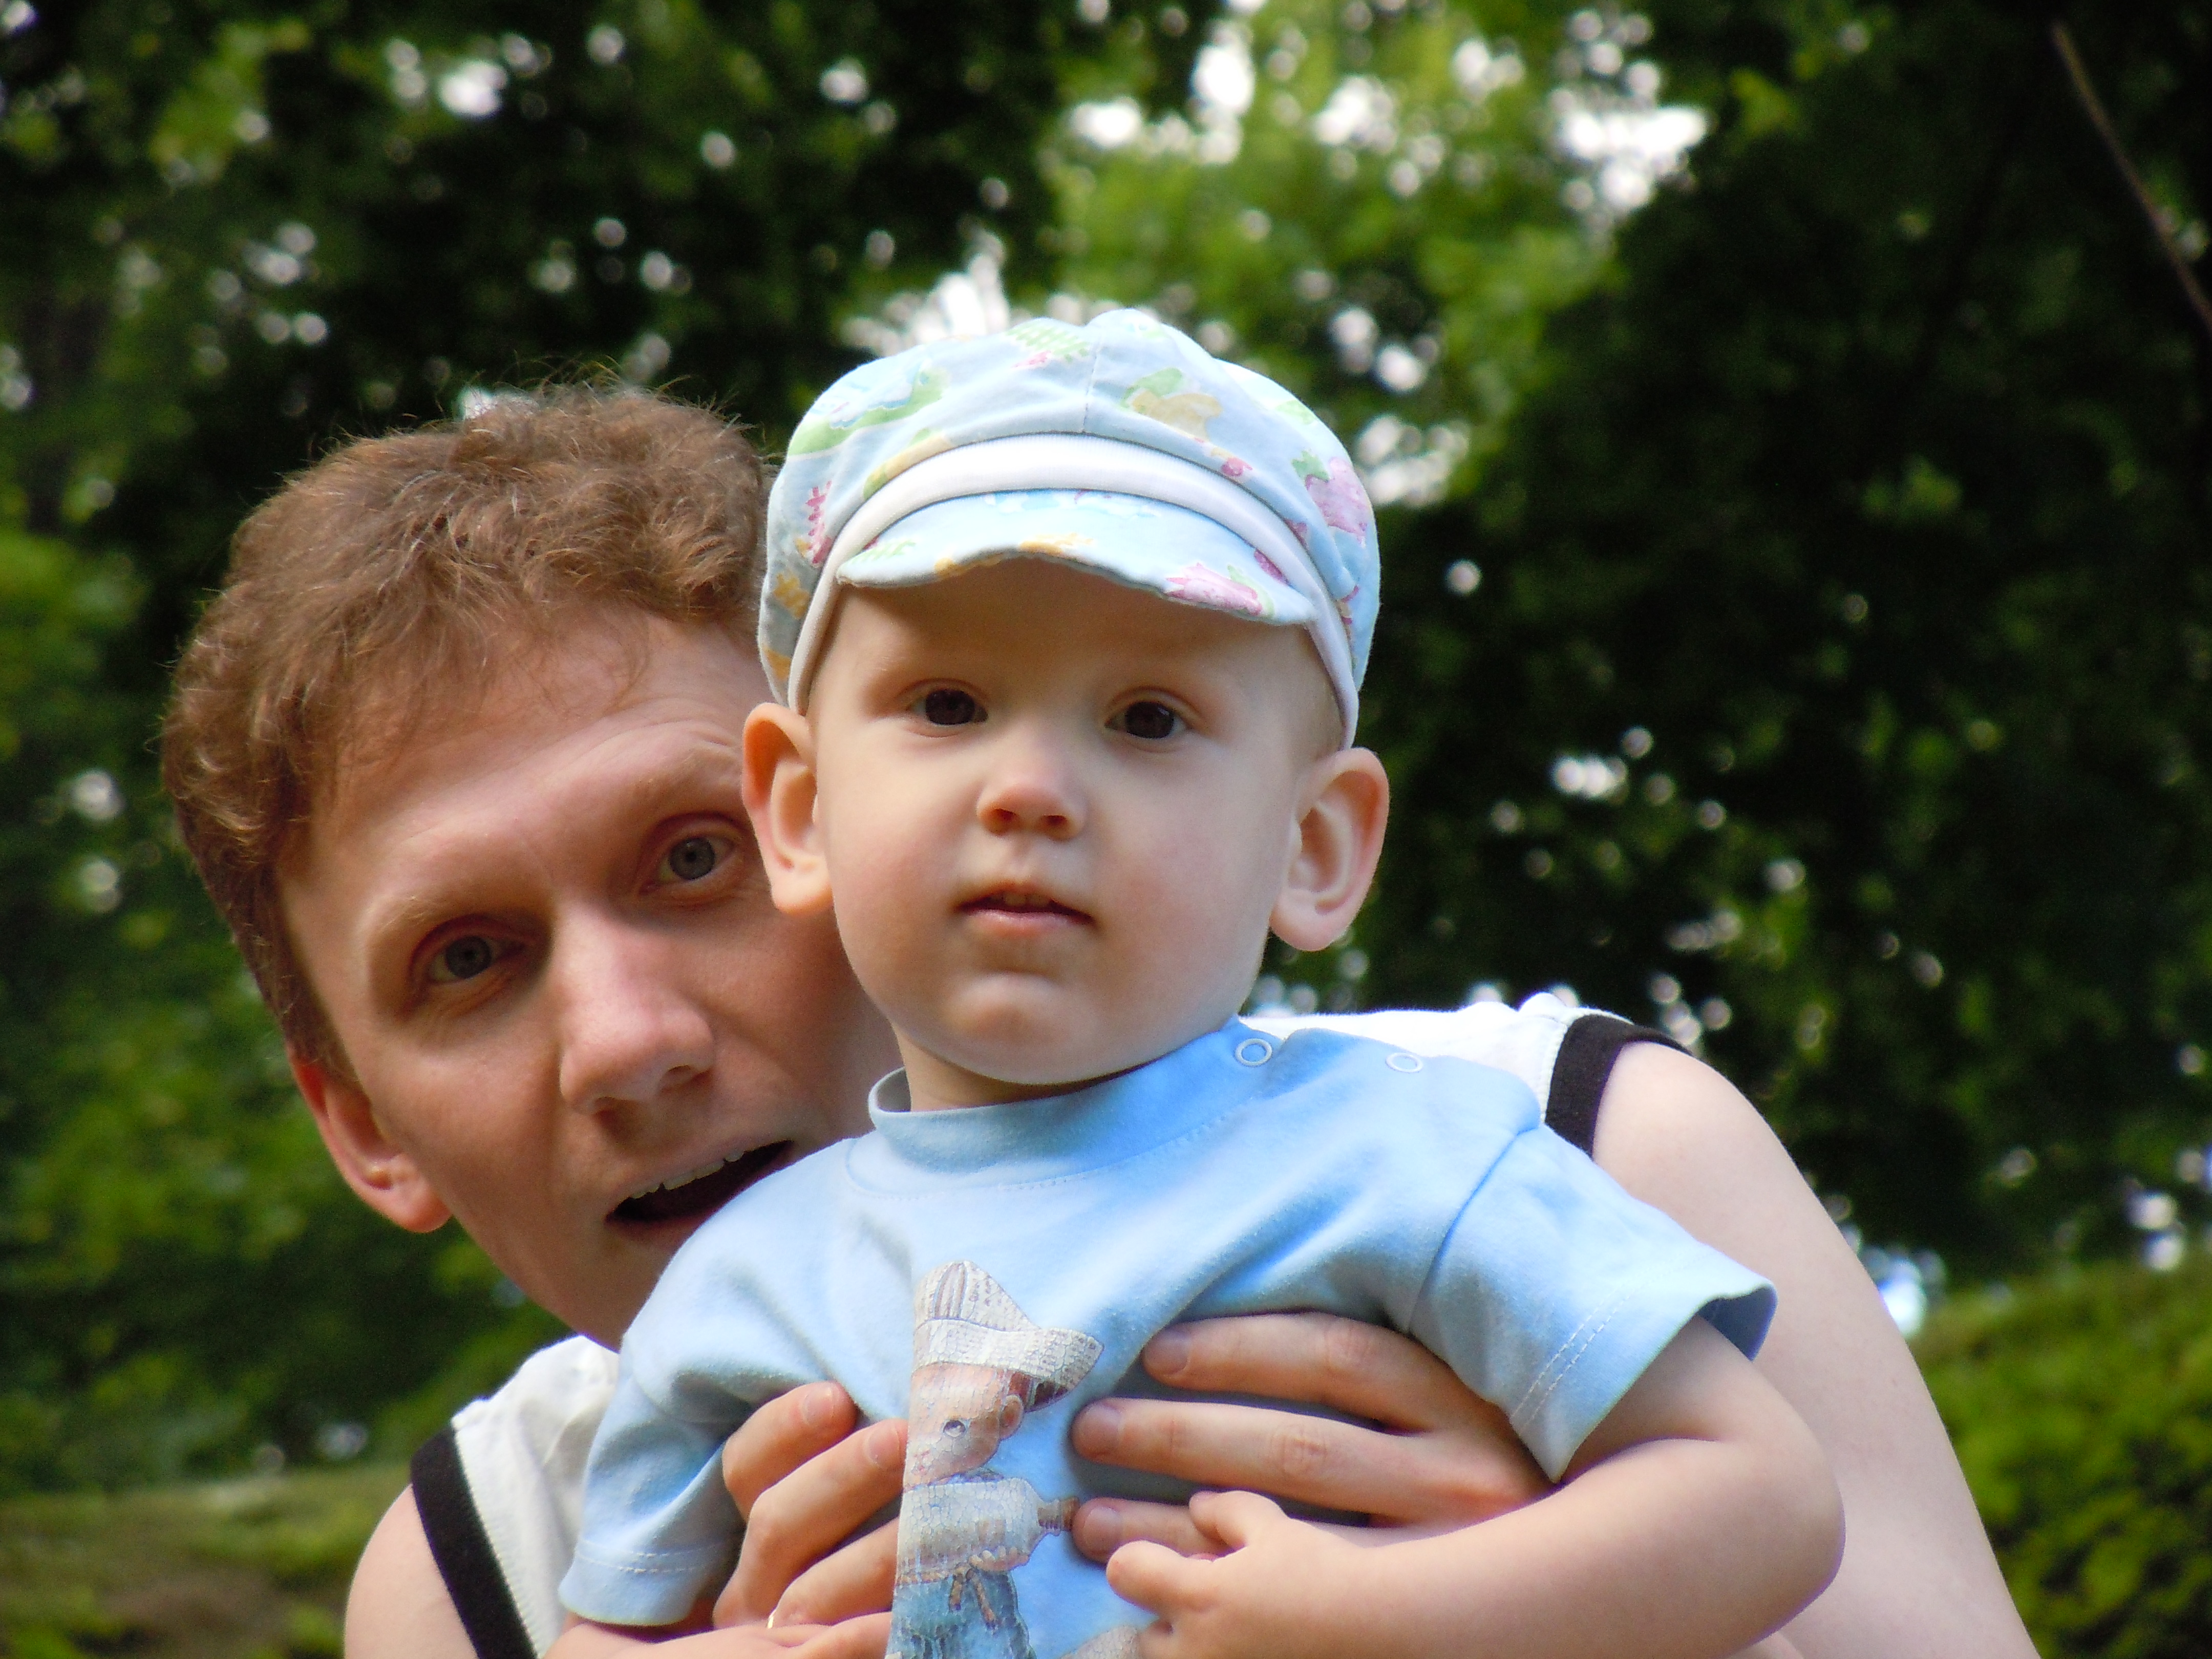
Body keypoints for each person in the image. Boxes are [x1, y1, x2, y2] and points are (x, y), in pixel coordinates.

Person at [156, 386, 2037, 1659]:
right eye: (465, 961)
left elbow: (1766, 1519)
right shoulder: (482, 1568)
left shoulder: (1567, 1144)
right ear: (363, 1126)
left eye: (691, 856)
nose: (629, 1038)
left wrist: (1544, 1591)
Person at [556, 311, 1840, 1659]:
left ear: (1312, 846)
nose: (1030, 790)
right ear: (799, 807)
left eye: (1149, 719)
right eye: (947, 705)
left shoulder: (1415, 1163)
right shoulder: (741, 1282)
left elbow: (1764, 1496)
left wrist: (1383, 1620)